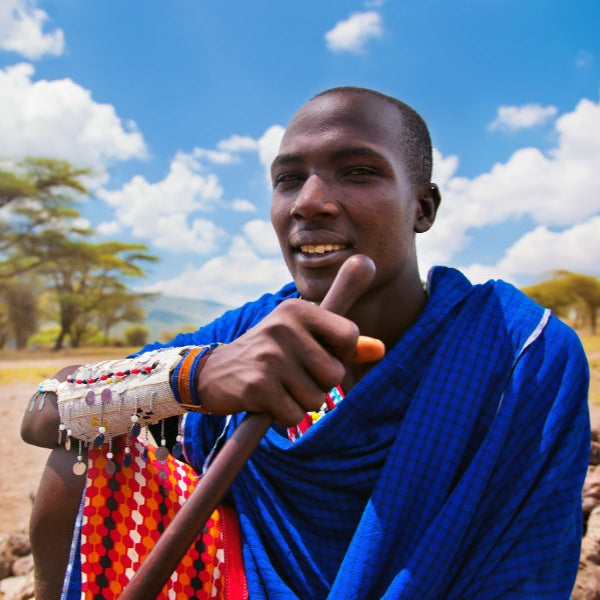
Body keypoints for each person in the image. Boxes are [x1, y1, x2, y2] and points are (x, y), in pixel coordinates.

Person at [21, 86, 590, 600]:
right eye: (288, 179)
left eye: (359, 172)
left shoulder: (521, 350)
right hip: (237, 583)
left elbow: (525, 566)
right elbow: (44, 411)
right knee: (86, 450)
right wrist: (197, 376)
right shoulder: (250, 329)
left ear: (423, 207)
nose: (308, 202)